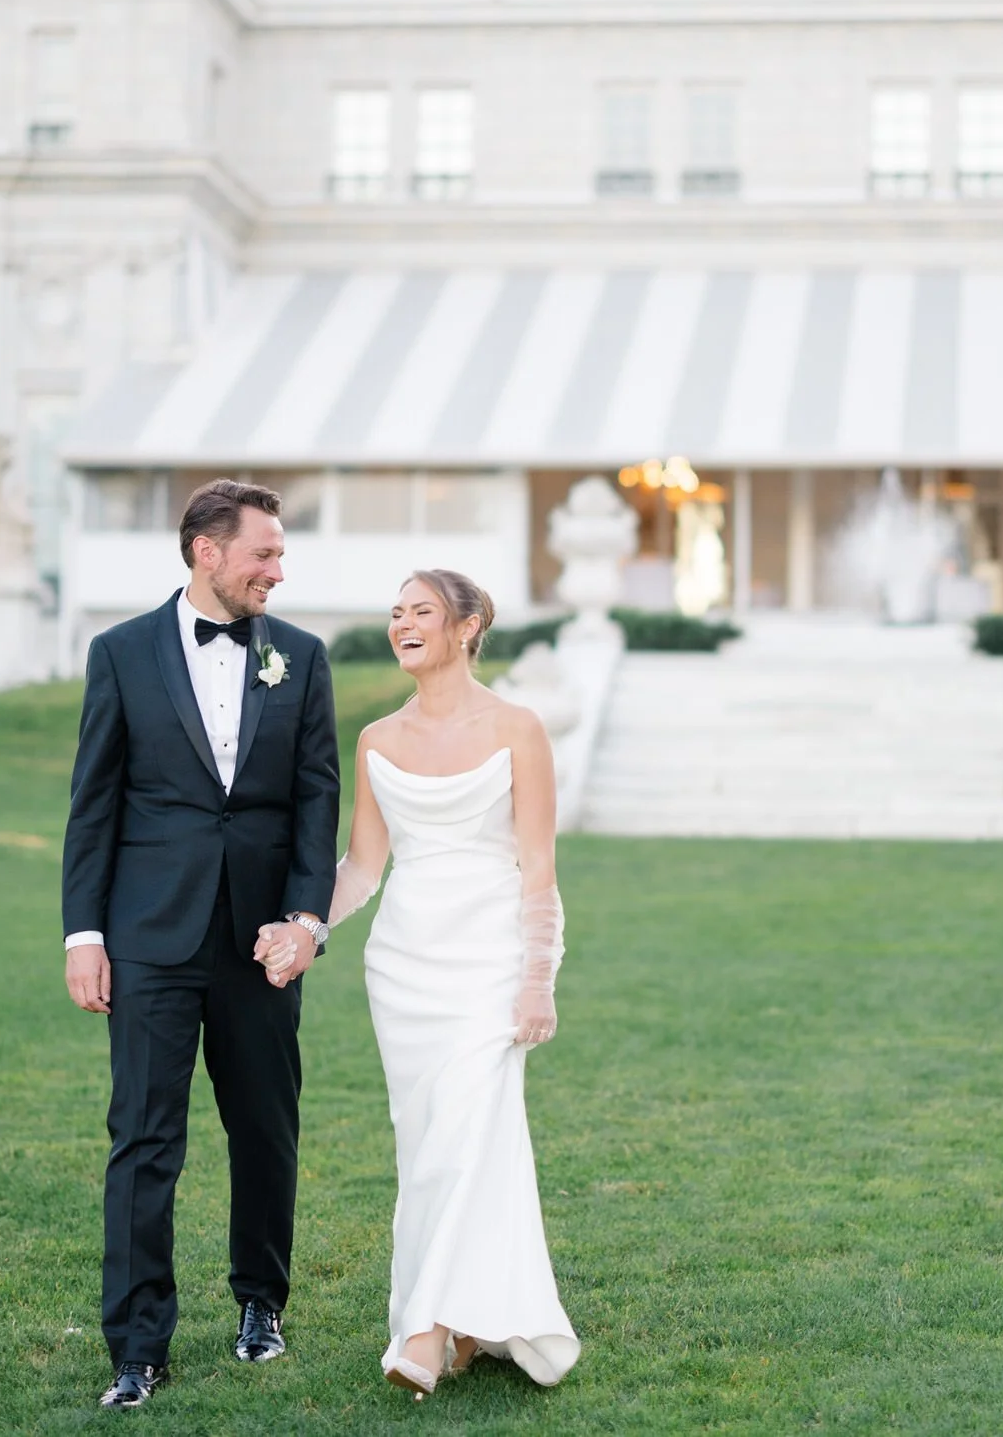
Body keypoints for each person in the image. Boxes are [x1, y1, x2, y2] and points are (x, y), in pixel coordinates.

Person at [259, 568, 579, 1398]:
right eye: (396, 612)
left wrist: (538, 977)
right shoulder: (376, 739)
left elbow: (539, 867)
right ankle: (464, 1322)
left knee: (471, 1129)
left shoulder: (519, 727)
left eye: (422, 611)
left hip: (489, 960)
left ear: (468, 626)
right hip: (404, 966)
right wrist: (306, 925)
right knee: (431, 1143)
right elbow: (364, 865)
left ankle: (426, 1328)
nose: (404, 623)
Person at [59, 478, 340, 1410]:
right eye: (264, 551)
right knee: (143, 1138)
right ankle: (137, 1348)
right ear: (205, 551)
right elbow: (93, 804)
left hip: (261, 941)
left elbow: (315, 801)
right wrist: (85, 933)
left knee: (265, 1129)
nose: (278, 567)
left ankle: (262, 1301)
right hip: (148, 937)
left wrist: (304, 921)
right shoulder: (121, 652)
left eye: (280, 551)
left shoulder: (301, 657)